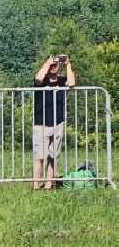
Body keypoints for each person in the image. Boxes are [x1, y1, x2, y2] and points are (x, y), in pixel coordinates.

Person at [32, 54, 75, 190]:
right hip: (41, 123)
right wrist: (47, 63)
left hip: (58, 123)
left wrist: (67, 64)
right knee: (39, 157)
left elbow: (72, 84)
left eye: (55, 64)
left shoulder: (62, 81)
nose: (53, 66)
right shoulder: (42, 80)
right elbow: (38, 78)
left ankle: (49, 185)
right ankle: (35, 186)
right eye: (51, 64)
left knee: (53, 156)